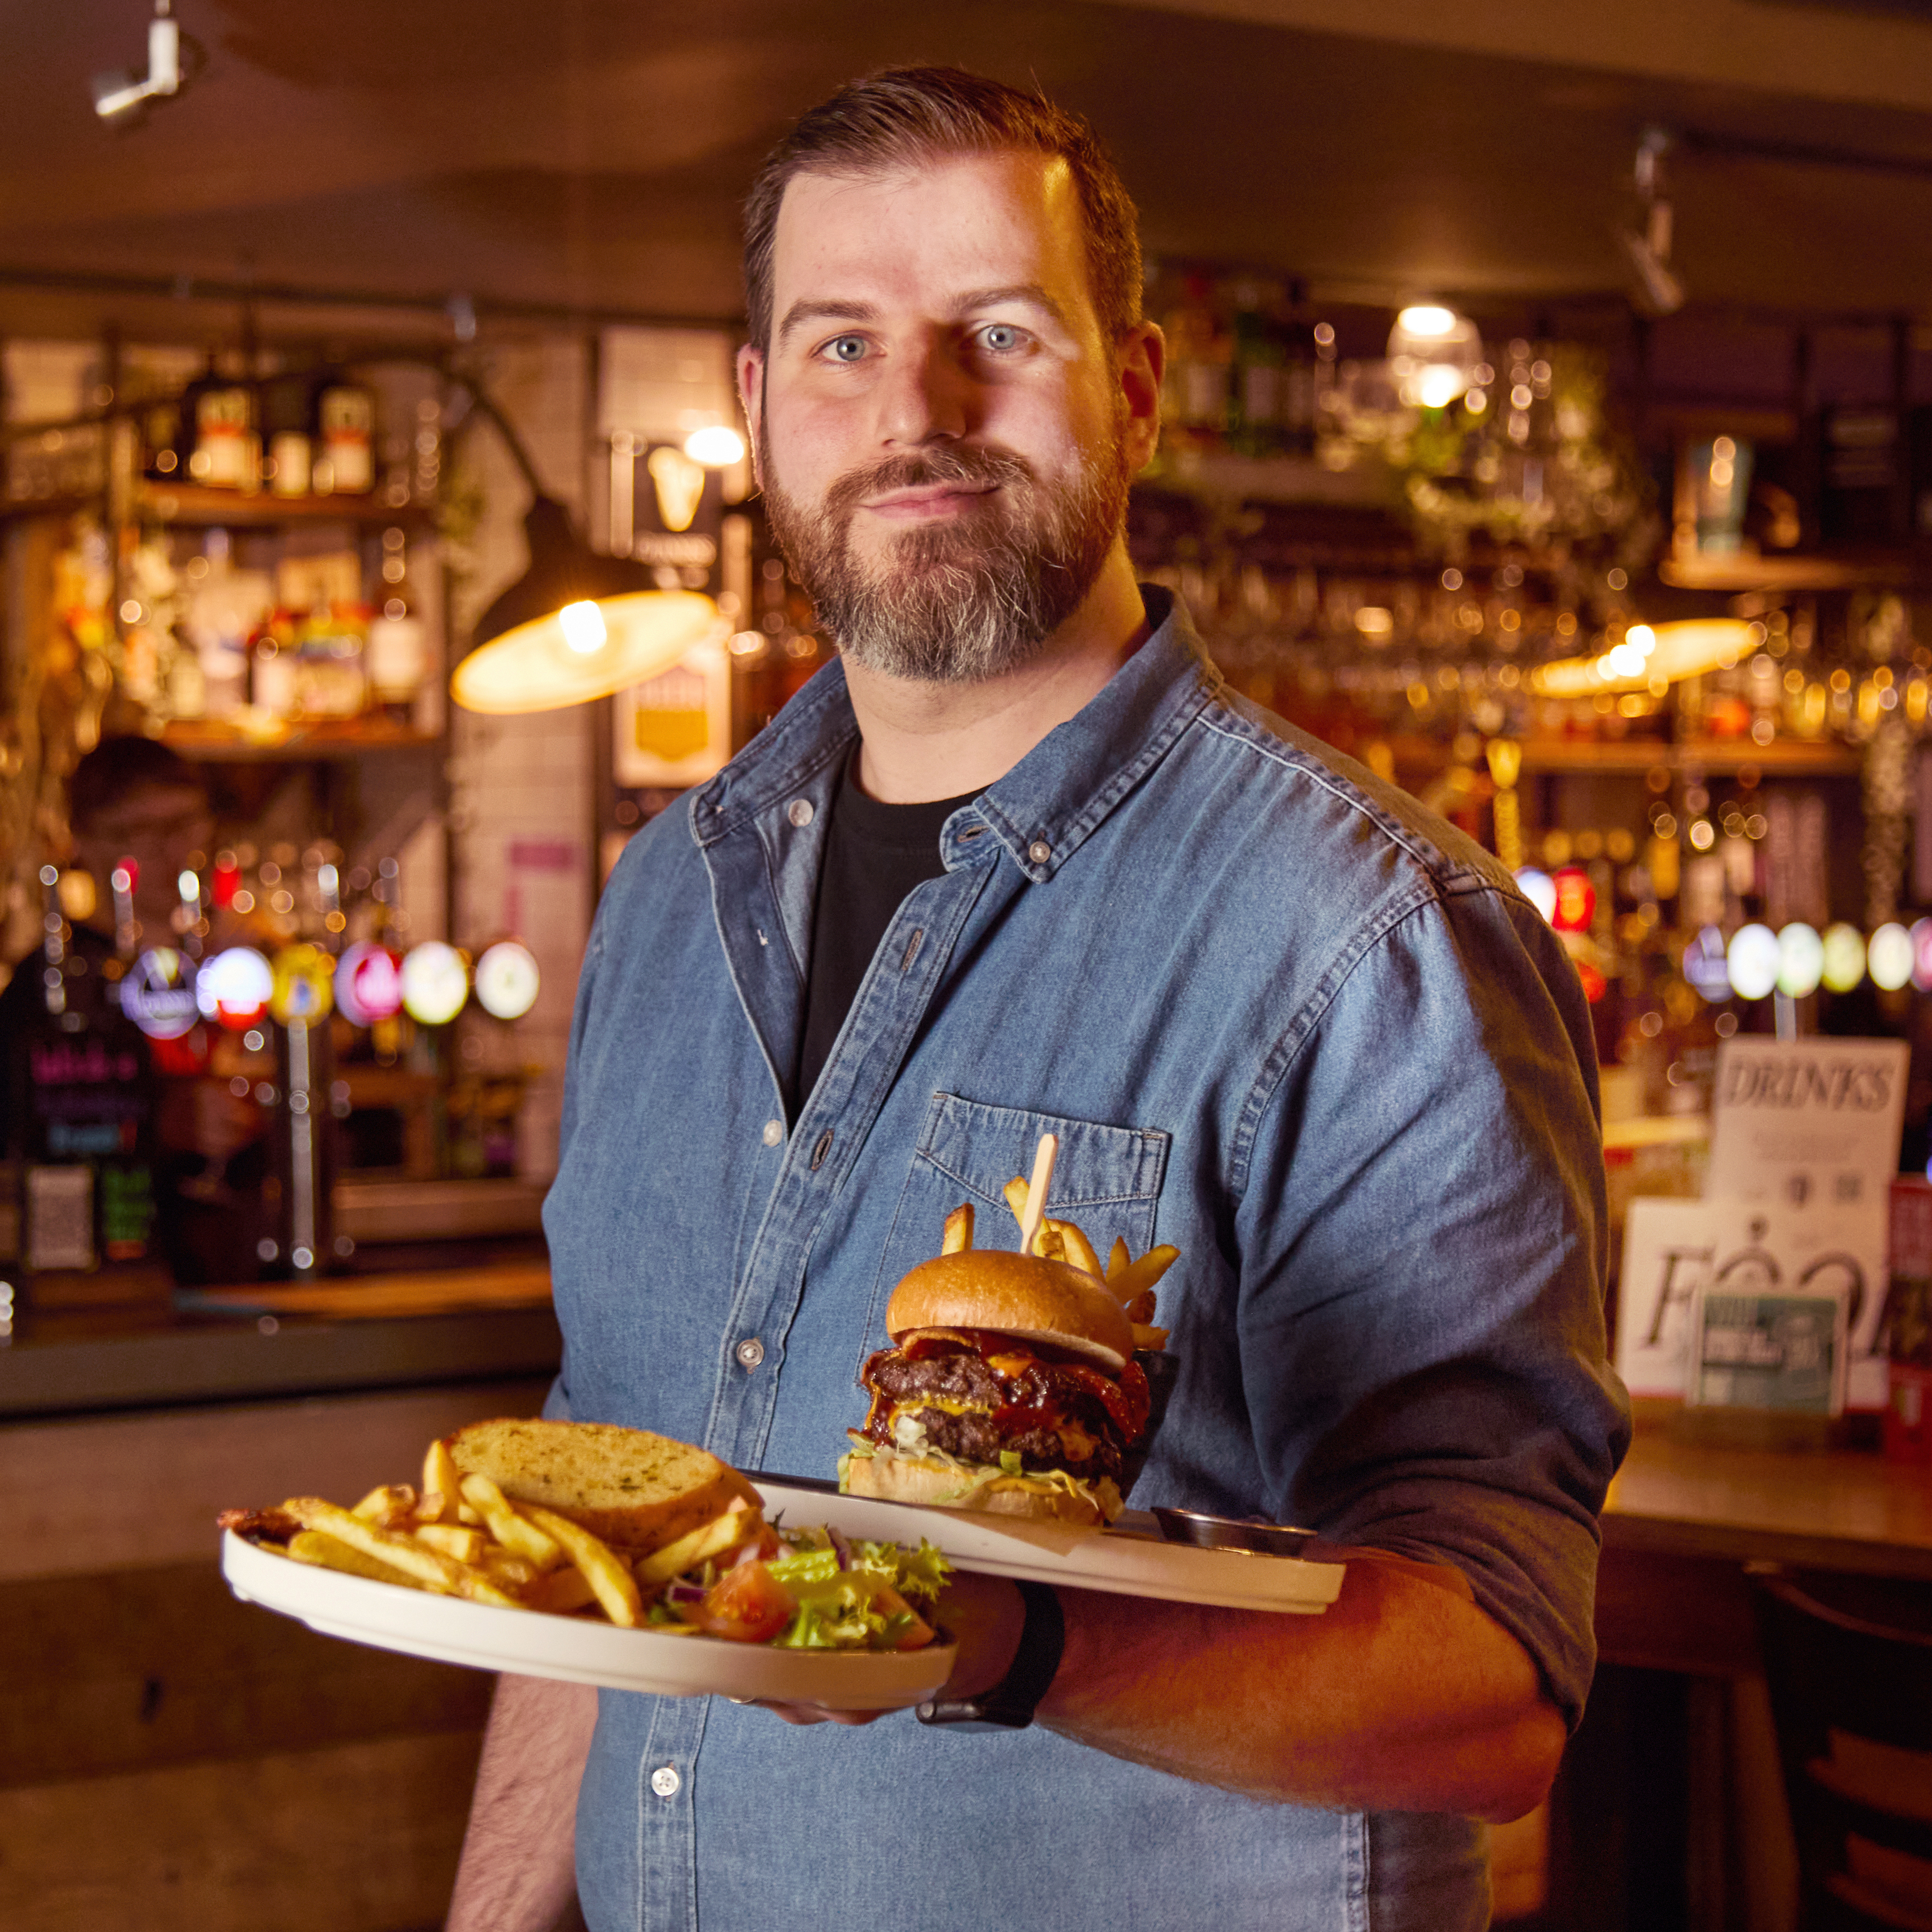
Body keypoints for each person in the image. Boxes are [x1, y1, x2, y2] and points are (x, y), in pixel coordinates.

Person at [449, 68, 1629, 1932]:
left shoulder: (1370, 930)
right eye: (842, 342)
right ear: (757, 407)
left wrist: (995, 1639)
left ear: (1135, 386)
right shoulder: (667, 904)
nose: (913, 412)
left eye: (994, 333)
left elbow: (1490, 1683)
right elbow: (621, 1515)